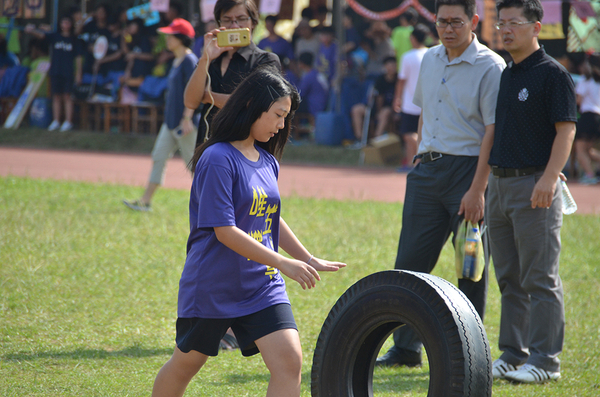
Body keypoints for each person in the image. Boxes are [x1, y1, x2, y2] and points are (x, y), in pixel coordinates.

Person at [150, 65, 346, 397]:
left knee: (289, 361)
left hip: (261, 284)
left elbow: (269, 217)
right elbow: (225, 230)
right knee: (185, 364)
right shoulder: (217, 158)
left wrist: (307, 257)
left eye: (286, 116)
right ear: (251, 107)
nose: (282, 125)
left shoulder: (267, 160)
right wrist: (284, 263)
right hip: (214, 284)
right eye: (277, 115)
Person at [376, 0, 505, 368]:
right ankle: (405, 348)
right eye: (442, 22)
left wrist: (478, 190)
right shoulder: (429, 58)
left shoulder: (491, 66)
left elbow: (492, 131)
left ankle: (470, 356)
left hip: (469, 173)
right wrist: (419, 155)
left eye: (456, 22)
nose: (448, 29)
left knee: (470, 267)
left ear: (474, 21)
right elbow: (424, 114)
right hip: (426, 173)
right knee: (409, 264)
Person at [487, 0, 577, 383]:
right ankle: (513, 353)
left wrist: (549, 177)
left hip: (535, 186)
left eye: (514, 23)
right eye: (501, 23)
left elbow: (566, 129)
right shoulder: (508, 73)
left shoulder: (553, 75)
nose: (505, 30)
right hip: (500, 186)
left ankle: (545, 361)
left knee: (540, 277)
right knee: (509, 276)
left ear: (536, 27)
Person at [123, 19, 198, 212]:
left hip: (184, 123)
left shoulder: (190, 61)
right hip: (170, 122)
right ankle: (145, 201)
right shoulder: (176, 60)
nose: (167, 38)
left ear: (181, 38)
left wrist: (187, 117)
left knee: (195, 167)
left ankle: (212, 206)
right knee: (159, 156)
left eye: (171, 35)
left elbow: (196, 92)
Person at [184, 0, 280, 146]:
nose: (234, 26)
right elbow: (190, 101)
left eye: (241, 19)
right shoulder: (211, 60)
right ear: (219, 24)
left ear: (253, 23)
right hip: (206, 148)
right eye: (227, 20)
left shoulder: (266, 60)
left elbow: (255, 105)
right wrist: (205, 58)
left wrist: (208, 96)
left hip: (244, 152)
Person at [25, 15, 82, 132]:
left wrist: (78, 73)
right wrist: (32, 30)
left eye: (67, 22)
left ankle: (68, 121)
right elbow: (41, 35)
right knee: (56, 96)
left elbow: (78, 57)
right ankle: (56, 121)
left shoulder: (74, 39)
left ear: (71, 24)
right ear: (60, 24)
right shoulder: (55, 36)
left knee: (67, 96)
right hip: (56, 70)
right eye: (63, 22)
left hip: (68, 72)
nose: (65, 25)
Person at [394, 23, 431, 170]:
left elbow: (401, 81)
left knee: (409, 135)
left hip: (410, 103)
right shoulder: (431, 54)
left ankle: (414, 162)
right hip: (427, 103)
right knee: (420, 134)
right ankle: (412, 163)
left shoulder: (407, 57)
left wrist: (397, 99)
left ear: (412, 38)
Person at [351, 56, 397, 144]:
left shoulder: (399, 79)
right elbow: (378, 98)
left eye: (393, 65)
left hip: (390, 109)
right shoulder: (380, 80)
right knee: (356, 109)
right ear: (385, 67)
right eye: (389, 65)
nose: (391, 67)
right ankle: (359, 139)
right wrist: (377, 111)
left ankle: (376, 140)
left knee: (385, 112)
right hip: (375, 108)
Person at [574, 53, 600, 185]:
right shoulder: (597, 81)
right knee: (588, 150)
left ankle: (590, 175)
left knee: (580, 149)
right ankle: (590, 174)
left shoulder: (585, 80)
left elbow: (578, 100)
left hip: (588, 116)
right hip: (597, 118)